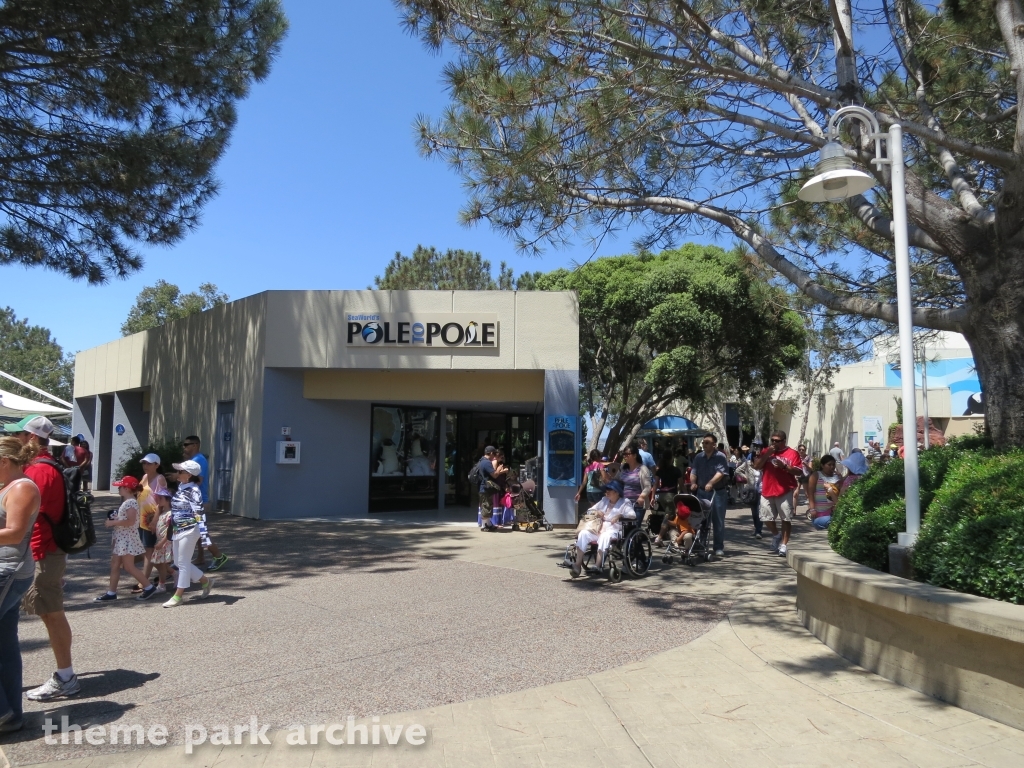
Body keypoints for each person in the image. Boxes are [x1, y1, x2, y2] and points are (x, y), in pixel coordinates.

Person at [3, 415, 79, 701]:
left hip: (42, 553)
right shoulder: (41, 467)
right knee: (48, 612)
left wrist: (32, 557)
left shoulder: (37, 472)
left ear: (31, 438)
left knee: (51, 612)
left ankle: (66, 677)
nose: (15, 440)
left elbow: (30, 520)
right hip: (43, 551)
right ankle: (65, 675)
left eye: (19, 434)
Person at [0, 437, 41, 733]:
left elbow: (14, 533)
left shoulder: (22, 488)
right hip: (9, 569)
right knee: (5, 644)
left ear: (4, 462)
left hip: (9, 569)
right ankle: (10, 716)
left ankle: (4, 713)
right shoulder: (8, 487)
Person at [94, 477, 157, 601]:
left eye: (120, 487)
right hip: (122, 538)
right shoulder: (127, 501)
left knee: (128, 566)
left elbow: (131, 521)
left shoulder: (130, 502)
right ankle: (111, 592)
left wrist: (113, 523)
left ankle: (148, 587)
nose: (118, 489)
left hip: (127, 538)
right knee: (115, 564)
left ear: (127, 489)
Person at [164, 459, 215, 607]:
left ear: (188, 475)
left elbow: (199, 513)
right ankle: (206, 581)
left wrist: (205, 537)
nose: (177, 474)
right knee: (179, 563)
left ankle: (178, 596)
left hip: (191, 529)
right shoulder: (181, 487)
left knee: (184, 563)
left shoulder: (194, 491)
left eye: (180, 471)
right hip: (178, 529)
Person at [181, 436, 228, 571]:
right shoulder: (195, 460)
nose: (184, 447)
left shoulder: (198, 460)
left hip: (198, 501)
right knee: (198, 531)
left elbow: (198, 480)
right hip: (195, 500)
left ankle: (219, 556)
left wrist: (179, 478)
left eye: (186, 444)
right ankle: (201, 557)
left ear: (195, 445)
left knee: (201, 532)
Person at [753, 430, 803, 557]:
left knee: (786, 518)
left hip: (785, 490)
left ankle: (784, 545)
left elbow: (799, 472)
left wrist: (784, 466)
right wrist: (767, 453)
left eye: (777, 441)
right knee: (765, 517)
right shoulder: (766, 451)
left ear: (784, 441)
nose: (774, 443)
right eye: (772, 440)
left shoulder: (792, 453)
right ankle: (776, 535)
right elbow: (756, 466)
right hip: (767, 489)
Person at [570, 480, 632, 577]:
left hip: (613, 530)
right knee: (583, 533)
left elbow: (632, 515)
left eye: (609, 490)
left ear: (616, 492)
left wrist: (620, 515)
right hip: (598, 529)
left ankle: (597, 565)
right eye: (606, 490)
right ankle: (577, 565)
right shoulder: (604, 500)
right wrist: (597, 512)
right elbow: (590, 510)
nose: (606, 492)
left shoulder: (625, 502)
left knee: (604, 536)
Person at [690, 433, 730, 557]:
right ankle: (701, 544)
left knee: (718, 520)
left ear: (714, 444)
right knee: (702, 520)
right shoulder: (698, 457)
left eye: (707, 442)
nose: (704, 444)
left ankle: (718, 547)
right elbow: (694, 471)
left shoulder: (720, 456)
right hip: (702, 491)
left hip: (717, 492)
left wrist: (711, 483)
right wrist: (693, 483)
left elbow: (721, 472)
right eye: (703, 442)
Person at [135, 453, 167, 592]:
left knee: (149, 551)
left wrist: (155, 520)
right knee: (146, 550)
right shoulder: (144, 477)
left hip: (151, 519)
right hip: (142, 518)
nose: (145, 466)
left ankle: (143, 582)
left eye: (148, 463)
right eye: (144, 463)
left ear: (156, 465)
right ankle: (171, 573)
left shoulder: (160, 479)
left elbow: (162, 502)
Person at [619, 442, 654, 526]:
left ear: (634, 455)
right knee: (623, 528)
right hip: (624, 504)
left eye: (627, 454)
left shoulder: (642, 469)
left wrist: (641, 497)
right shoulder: (623, 467)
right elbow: (616, 482)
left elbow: (648, 486)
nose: (625, 456)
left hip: (637, 505)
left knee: (634, 527)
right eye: (624, 454)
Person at [149, 487, 175, 592]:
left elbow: (170, 530)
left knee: (161, 563)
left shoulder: (170, 514)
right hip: (160, 541)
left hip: (165, 542)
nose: (158, 499)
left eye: (161, 498)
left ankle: (162, 584)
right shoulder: (162, 512)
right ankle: (174, 573)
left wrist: (162, 542)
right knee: (157, 562)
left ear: (168, 500)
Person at [807, 455, 843, 530]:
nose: (832, 467)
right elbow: (810, 493)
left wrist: (841, 478)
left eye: (833, 464)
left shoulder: (837, 476)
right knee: (819, 523)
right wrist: (812, 509)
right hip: (819, 512)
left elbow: (841, 492)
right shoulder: (816, 475)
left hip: (833, 511)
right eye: (829, 465)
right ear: (822, 465)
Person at [653, 450, 682, 533]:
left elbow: (655, 484)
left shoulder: (660, 470)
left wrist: (653, 497)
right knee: (668, 516)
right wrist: (685, 493)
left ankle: (669, 533)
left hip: (661, 495)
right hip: (671, 495)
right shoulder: (676, 470)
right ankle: (660, 536)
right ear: (671, 458)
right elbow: (681, 484)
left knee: (668, 514)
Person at [476, 445, 498, 530]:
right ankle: (484, 525)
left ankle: (488, 524)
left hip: (483, 487)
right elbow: (494, 475)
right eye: (494, 453)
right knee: (486, 505)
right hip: (484, 488)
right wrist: (499, 470)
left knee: (488, 505)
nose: (495, 455)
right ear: (491, 453)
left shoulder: (481, 461)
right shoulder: (486, 462)